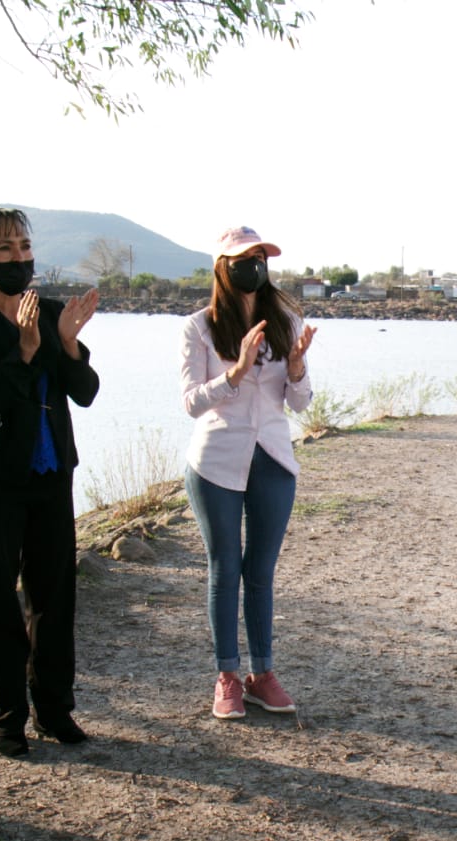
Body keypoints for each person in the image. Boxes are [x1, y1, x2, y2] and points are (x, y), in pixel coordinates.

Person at [0, 208, 101, 759]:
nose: (19, 258)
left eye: (25, 246)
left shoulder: (51, 310)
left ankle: (55, 710)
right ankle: (7, 717)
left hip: (52, 477)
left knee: (54, 599)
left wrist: (68, 344)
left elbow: (84, 391)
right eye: (5, 249)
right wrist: (26, 350)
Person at [180, 226, 316, 720]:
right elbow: (192, 403)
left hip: (274, 459)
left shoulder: (286, 319)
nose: (254, 264)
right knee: (225, 569)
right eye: (244, 257)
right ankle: (227, 676)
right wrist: (233, 373)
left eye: (261, 256)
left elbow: (299, 402)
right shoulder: (199, 326)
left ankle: (263, 673)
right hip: (216, 460)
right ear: (223, 265)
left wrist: (297, 368)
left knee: (259, 572)